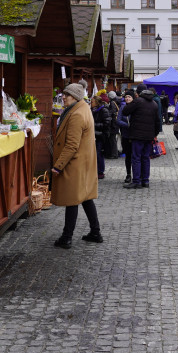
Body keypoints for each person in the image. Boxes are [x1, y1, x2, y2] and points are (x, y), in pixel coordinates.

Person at [50, 83, 102, 248]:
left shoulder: (76, 114)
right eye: (64, 94)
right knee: (85, 198)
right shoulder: (83, 109)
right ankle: (95, 232)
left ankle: (67, 237)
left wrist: (58, 166)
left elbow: (72, 145)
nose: (63, 97)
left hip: (75, 163)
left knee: (72, 199)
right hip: (83, 163)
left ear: (76, 97)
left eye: (67, 95)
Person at [122, 83, 162, 189]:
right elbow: (158, 121)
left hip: (137, 135)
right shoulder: (154, 103)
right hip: (149, 136)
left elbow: (125, 111)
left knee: (136, 158)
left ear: (138, 93)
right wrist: (154, 134)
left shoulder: (138, 101)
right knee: (145, 158)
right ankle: (145, 181)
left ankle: (136, 181)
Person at [115, 89, 134, 183]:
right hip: (126, 134)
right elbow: (118, 120)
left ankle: (136, 174)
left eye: (129, 97)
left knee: (135, 156)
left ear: (133, 98)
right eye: (126, 97)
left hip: (135, 135)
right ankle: (128, 174)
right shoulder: (122, 107)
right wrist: (128, 125)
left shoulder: (135, 107)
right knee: (128, 156)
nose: (127, 98)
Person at [90, 95, 110, 179]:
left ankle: (100, 171)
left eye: (92, 102)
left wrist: (93, 125)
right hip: (93, 135)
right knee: (94, 154)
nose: (91, 103)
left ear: (97, 103)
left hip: (101, 135)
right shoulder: (92, 110)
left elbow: (107, 123)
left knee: (99, 154)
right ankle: (95, 170)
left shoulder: (103, 110)